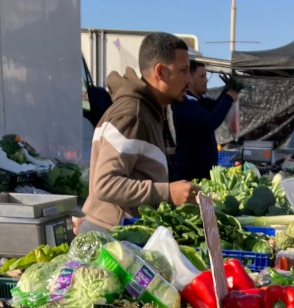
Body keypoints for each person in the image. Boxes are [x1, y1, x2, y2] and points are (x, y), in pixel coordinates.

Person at [82, 32, 196, 230]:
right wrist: (168, 192)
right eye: (183, 70)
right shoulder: (132, 114)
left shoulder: (148, 111)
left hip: (122, 235)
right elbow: (105, 184)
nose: (189, 80)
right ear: (160, 72)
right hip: (110, 240)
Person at [171, 61, 239, 182]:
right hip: (189, 177)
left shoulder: (200, 101)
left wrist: (227, 92)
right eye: (202, 76)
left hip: (203, 175)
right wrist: (228, 98)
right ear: (189, 79)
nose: (206, 80)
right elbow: (210, 121)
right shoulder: (185, 103)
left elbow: (215, 108)